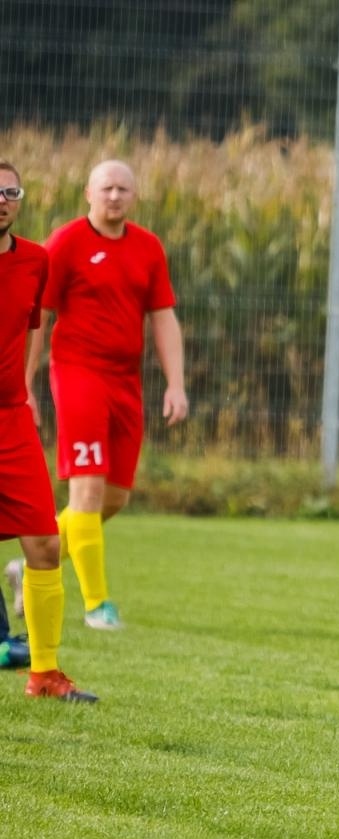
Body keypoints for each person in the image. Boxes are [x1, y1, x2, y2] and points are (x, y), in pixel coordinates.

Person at [23, 159, 188, 632]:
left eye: (123, 189)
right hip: (77, 374)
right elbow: (41, 313)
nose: (114, 196)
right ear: (88, 193)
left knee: (113, 498)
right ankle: (98, 605)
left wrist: (176, 384)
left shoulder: (148, 248)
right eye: (106, 188)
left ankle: (36, 560)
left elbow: (163, 316)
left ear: (134, 196)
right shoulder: (67, 242)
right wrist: (25, 382)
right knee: (88, 489)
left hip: (125, 380)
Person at [0, 160, 97, 701]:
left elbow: (32, 327)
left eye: (10, 191)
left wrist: (28, 386)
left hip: (12, 420)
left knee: (43, 542)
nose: (2, 200)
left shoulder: (36, 260)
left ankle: (44, 675)